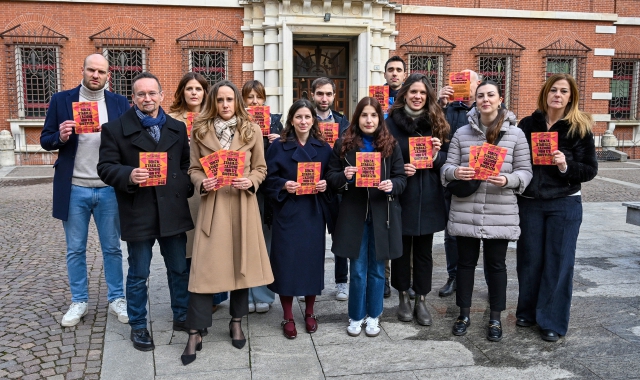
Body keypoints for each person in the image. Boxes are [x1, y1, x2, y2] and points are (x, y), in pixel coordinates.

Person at [97, 72, 193, 351]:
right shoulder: (114, 129)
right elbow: (104, 167)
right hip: (138, 209)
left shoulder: (176, 127)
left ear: (161, 96)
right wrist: (129, 174)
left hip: (172, 209)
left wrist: (183, 186)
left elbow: (185, 165)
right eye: (141, 94)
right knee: (139, 272)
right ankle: (138, 325)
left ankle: (182, 315)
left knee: (178, 268)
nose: (147, 98)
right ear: (133, 99)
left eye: (152, 93)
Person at [181, 80, 273, 364]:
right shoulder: (199, 130)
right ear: (213, 102)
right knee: (203, 270)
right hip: (213, 205)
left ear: (237, 102)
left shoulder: (252, 130)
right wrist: (202, 183)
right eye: (220, 100)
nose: (224, 105)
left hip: (242, 204)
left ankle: (236, 321)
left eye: (229, 100)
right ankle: (195, 331)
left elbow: (261, 167)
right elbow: (193, 169)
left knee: (241, 265)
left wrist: (252, 180)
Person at [40, 53, 129, 327]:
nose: (95, 75)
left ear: (108, 76)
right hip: (74, 187)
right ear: (82, 70)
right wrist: (61, 136)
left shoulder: (118, 103)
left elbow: (128, 142)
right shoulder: (61, 100)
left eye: (101, 72)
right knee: (75, 249)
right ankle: (79, 300)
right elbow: (46, 139)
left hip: (108, 189)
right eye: (91, 70)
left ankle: (117, 298)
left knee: (112, 248)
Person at [441, 80, 532, 342]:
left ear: (500, 99)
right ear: (475, 100)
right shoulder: (461, 133)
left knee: (496, 266)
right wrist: (456, 171)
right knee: (465, 264)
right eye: (480, 96)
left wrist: (509, 180)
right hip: (466, 208)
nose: (485, 100)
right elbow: (446, 170)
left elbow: (526, 172)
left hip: (499, 209)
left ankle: (495, 317)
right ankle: (464, 314)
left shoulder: (516, 135)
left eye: (490, 95)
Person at [515, 73, 597, 342]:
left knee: (558, 262)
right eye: (553, 90)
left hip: (564, 202)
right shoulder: (528, 124)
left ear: (571, 96)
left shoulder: (579, 127)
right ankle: (527, 311)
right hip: (530, 203)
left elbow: (589, 170)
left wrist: (565, 166)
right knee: (529, 260)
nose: (557, 95)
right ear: (545, 93)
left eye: (563, 91)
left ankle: (551, 320)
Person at [326, 97, 406, 337]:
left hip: (383, 215)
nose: (369, 120)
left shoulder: (391, 145)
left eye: (373, 115)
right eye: (364, 115)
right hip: (355, 214)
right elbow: (331, 176)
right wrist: (345, 176)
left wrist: (392, 184)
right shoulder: (344, 144)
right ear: (357, 118)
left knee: (378, 270)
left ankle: (374, 315)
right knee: (358, 269)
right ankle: (356, 315)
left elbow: (401, 178)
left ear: (380, 118)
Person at [263, 99, 335, 339]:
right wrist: (284, 185)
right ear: (291, 120)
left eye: (307, 117)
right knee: (287, 264)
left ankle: (310, 311)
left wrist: (327, 183)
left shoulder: (324, 148)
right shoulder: (278, 147)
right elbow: (267, 180)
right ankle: (288, 314)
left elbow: (332, 176)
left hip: (313, 212)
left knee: (311, 262)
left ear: (313, 120)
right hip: (288, 212)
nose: (303, 121)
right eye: (298, 117)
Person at [385, 73, 450, 326]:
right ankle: (402, 295)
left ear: (428, 96)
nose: (417, 97)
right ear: (404, 94)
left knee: (424, 252)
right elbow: (384, 159)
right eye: (413, 92)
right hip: (403, 194)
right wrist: (401, 170)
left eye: (422, 93)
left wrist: (435, 156)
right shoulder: (390, 124)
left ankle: (421, 298)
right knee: (401, 250)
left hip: (429, 195)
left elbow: (448, 158)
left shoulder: (437, 122)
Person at [168, 72, 228, 314]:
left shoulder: (216, 118)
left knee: (212, 241)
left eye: (199, 89)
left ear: (206, 92)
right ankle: (187, 297)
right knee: (186, 246)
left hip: (212, 185)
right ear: (182, 91)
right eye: (189, 88)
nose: (194, 92)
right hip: (182, 186)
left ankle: (214, 296)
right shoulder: (171, 119)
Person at [436, 69, 483, 297]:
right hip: (454, 178)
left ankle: (474, 277)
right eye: (458, 82)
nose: (463, 86)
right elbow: (435, 136)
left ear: (478, 84)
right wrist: (440, 105)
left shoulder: (487, 108)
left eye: (467, 82)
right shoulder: (449, 108)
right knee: (452, 232)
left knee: (481, 231)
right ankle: (454, 276)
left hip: (482, 179)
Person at [241, 79, 284, 314]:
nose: (254, 101)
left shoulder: (276, 122)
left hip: (267, 190)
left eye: (258, 96)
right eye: (250, 96)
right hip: (243, 187)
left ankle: (263, 293)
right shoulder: (236, 122)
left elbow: (287, 153)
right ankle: (244, 292)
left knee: (266, 242)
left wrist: (279, 141)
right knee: (244, 240)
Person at [311, 77, 350, 301]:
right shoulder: (305, 118)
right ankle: (311, 281)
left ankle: (341, 282)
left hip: (336, 187)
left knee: (340, 237)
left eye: (328, 94)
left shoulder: (343, 122)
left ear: (334, 96)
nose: (324, 98)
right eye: (320, 94)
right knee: (313, 238)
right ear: (313, 95)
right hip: (312, 186)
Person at [382, 55, 407, 297]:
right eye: (391, 70)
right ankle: (385, 279)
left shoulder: (411, 97)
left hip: (406, 162)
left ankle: (404, 279)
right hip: (381, 163)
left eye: (399, 70)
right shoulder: (377, 97)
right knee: (385, 225)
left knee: (404, 228)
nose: (394, 73)